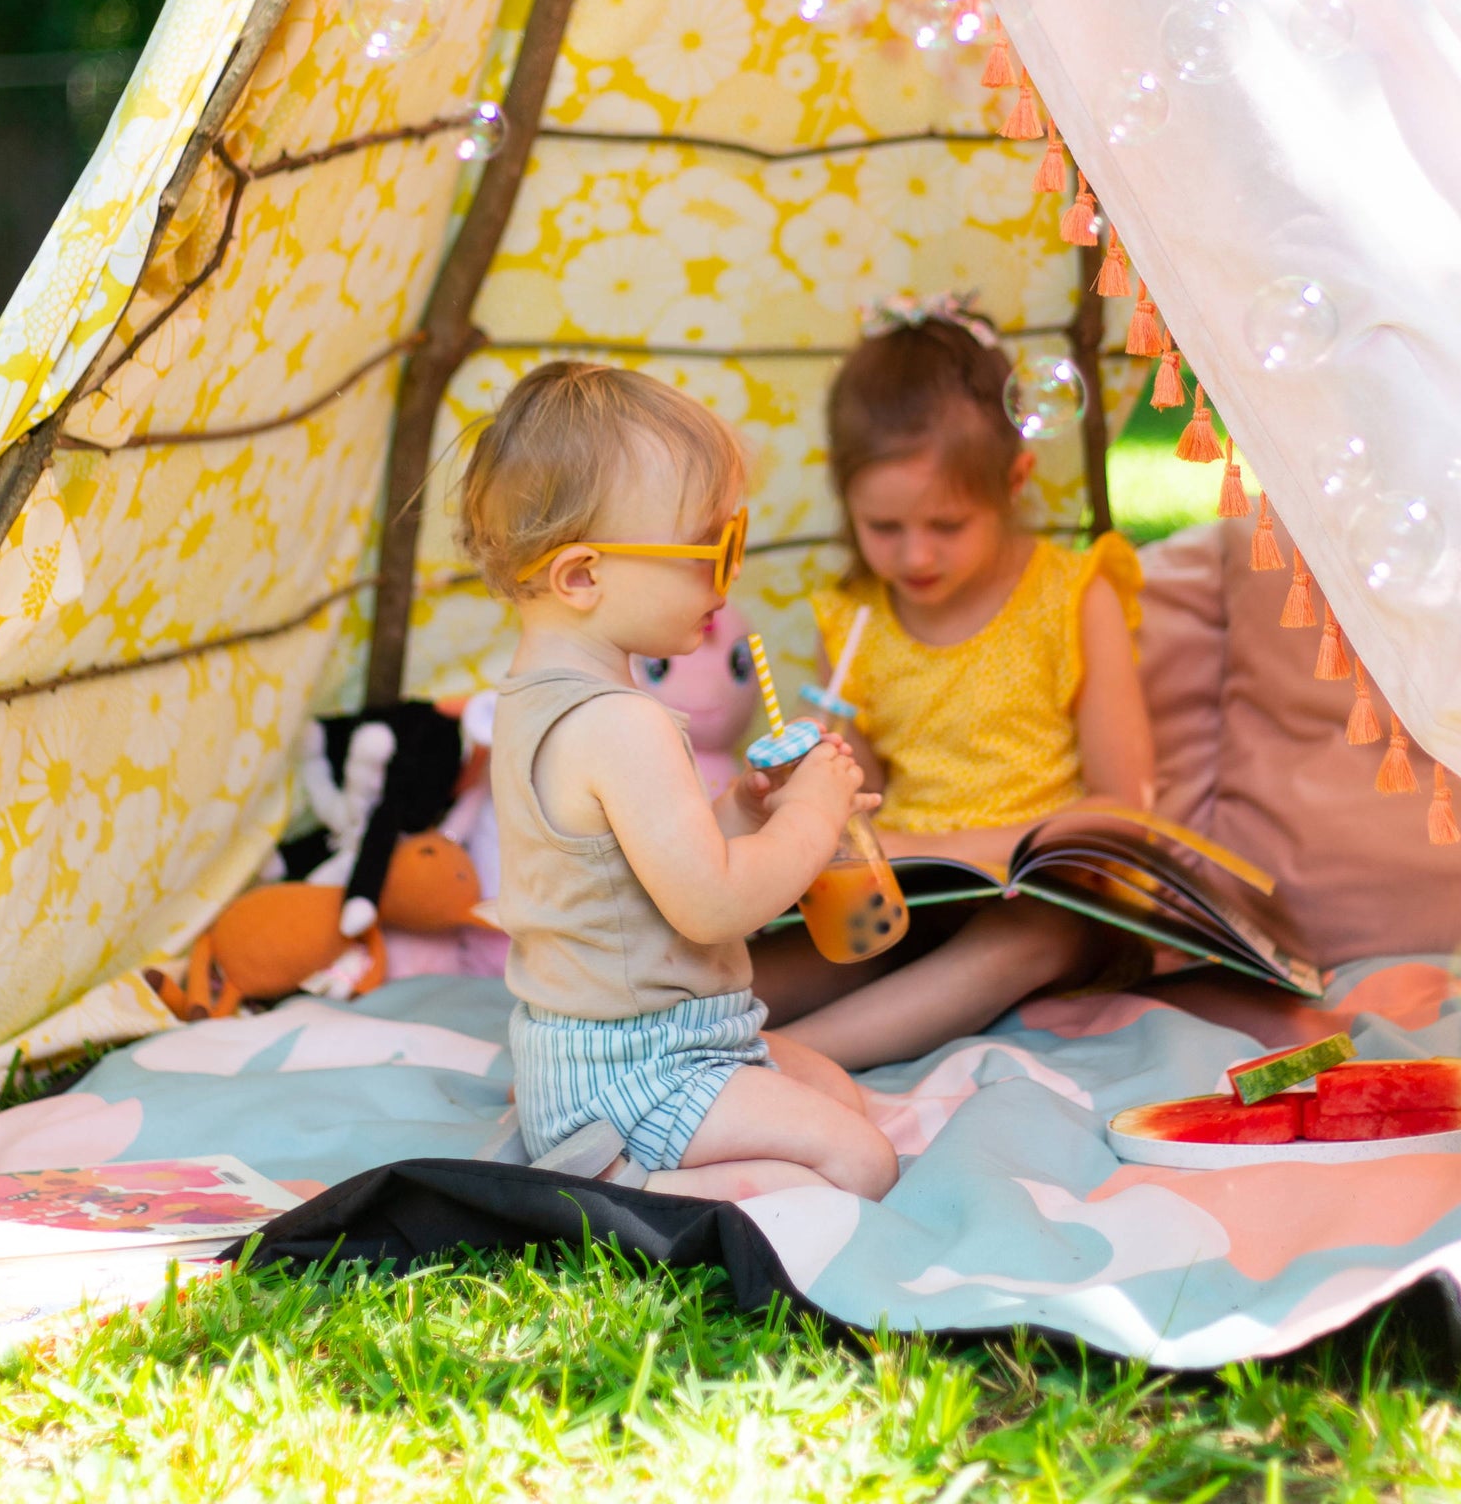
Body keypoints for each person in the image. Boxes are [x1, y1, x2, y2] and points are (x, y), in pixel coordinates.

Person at [459, 360, 899, 1201]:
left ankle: (616, 1156)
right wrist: (811, 813)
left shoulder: (532, 699)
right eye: (712, 551)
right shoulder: (623, 724)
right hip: (637, 1073)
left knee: (840, 1098)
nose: (727, 582)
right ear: (583, 576)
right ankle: (623, 1189)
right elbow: (715, 906)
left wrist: (738, 808)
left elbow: (646, 875)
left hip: (635, 1050)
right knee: (861, 1163)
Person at [749, 297, 1158, 1071]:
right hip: (905, 899)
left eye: (947, 525)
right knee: (799, 953)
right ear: (848, 503)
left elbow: (1125, 812)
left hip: (1048, 897)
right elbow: (847, 795)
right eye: (884, 528)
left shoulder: (1075, 595)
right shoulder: (853, 622)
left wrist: (956, 846)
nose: (915, 557)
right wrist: (804, 788)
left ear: (1015, 479)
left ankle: (782, 1063)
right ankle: (661, 1042)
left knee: (1034, 933)